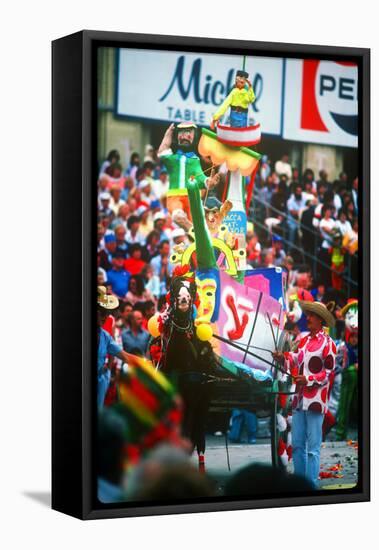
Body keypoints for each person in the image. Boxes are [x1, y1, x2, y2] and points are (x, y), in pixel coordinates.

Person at [272, 300, 336, 487]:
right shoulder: (305, 340)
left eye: (312, 316)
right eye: (308, 315)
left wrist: (307, 379)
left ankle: (312, 485)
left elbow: (328, 373)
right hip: (299, 400)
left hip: (316, 401)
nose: (308, 318)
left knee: (313, 449)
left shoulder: (328, 344)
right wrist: (282, 356)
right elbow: (294, 357)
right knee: (298, 445)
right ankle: (300, 485)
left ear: (321, 320)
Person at [158, 122, 219, 220]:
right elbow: (162, 152)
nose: (184, 136)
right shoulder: (172, 159)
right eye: (181, 133)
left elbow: (199, 178)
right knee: (178, 214)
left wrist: (208, 182)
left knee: (195, 224)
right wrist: (168, 134)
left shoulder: (195, 160)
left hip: (192, 199)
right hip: (175, 197)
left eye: (188, 133)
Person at [97, 287, 133, 408]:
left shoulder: (105, 336)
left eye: (106, 313)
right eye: (101, 312)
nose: (105, 317)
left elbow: (124, 356)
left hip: (100, 379)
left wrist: (146, 363)